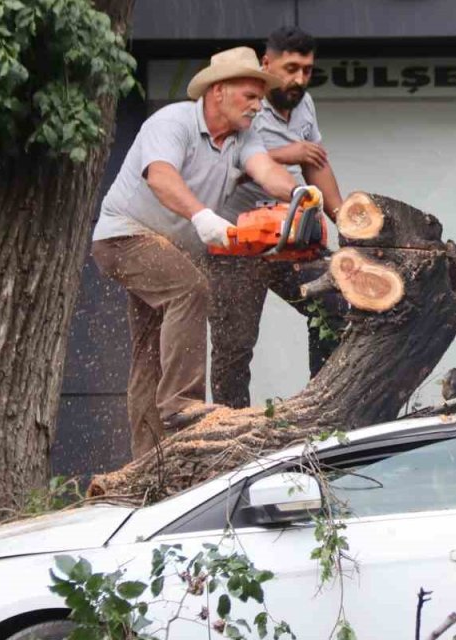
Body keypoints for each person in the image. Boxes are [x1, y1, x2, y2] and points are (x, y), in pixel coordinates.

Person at [90, 46, 305, 458]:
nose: (258, 106)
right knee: (190, 289)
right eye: (250, 96)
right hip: (124, 238)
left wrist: (297, 192)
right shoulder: (171, 122)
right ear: (219, 91)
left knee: (150, 354)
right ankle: (182, 402)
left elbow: (266, 170)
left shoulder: (244, 138)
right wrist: (202, 215)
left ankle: (149, 462)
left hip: (169, 248)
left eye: (261, 98)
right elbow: (160, 176)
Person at [207, 26, 347, 410]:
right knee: (235, 349)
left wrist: (348, 225)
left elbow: (315, 163)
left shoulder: (305, 104)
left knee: (336, 300)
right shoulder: (242, 102)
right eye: (290, 68)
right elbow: (231, 155)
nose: (299, 79)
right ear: (266, 64)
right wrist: (291, 152)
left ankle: (323, 407)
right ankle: (231, 432)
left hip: (288, 240)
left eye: (306, 70)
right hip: (233, 243)